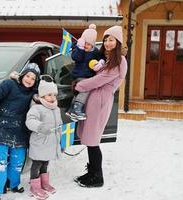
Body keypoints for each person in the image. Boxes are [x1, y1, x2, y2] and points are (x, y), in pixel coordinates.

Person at [73, 25, 128, 187]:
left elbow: (99, 80)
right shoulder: (107, 58)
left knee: (93, 139)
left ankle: (97, 177)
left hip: (101, 99)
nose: (108, 43)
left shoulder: (119, 60)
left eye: (111, 40)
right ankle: (92, 172)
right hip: (95, 97)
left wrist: (79, 86)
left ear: (118, 42)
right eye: (105, 40)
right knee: (91, 139)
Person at [0, 63, 41, 200]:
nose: (29, 80)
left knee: (18, 161)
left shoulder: (33, 93)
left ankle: (12, 184)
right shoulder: (9, 84)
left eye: (33, 78)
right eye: (28, 76)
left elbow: (45, 93)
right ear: (22, 75)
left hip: (20, 131)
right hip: (2, 128)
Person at [25, 76, 63, 200]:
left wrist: (60, 140)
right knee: (37, 164)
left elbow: (59, 125)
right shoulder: (36, 108)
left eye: (54, 95)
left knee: (46, 163)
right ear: (42, 96)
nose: (53, 98)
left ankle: (44, 183)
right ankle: (35, 186)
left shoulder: (56, 109)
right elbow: (30, 121)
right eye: (49, 95)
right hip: (40, 142)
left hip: (51, 143)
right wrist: (40, 127)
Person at [66, 24, 106, 121]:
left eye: (88, 44)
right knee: (85, 89)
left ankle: (72, 109)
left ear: (92, 44)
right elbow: (75, 57)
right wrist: (79, 48)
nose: (85, 46)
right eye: (84, 43)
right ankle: (77, 108)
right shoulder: (79, 49)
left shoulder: (95, 51)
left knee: (78, 93)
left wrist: (100, 63)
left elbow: (101, 57)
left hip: (88, 76)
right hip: (78, 76)